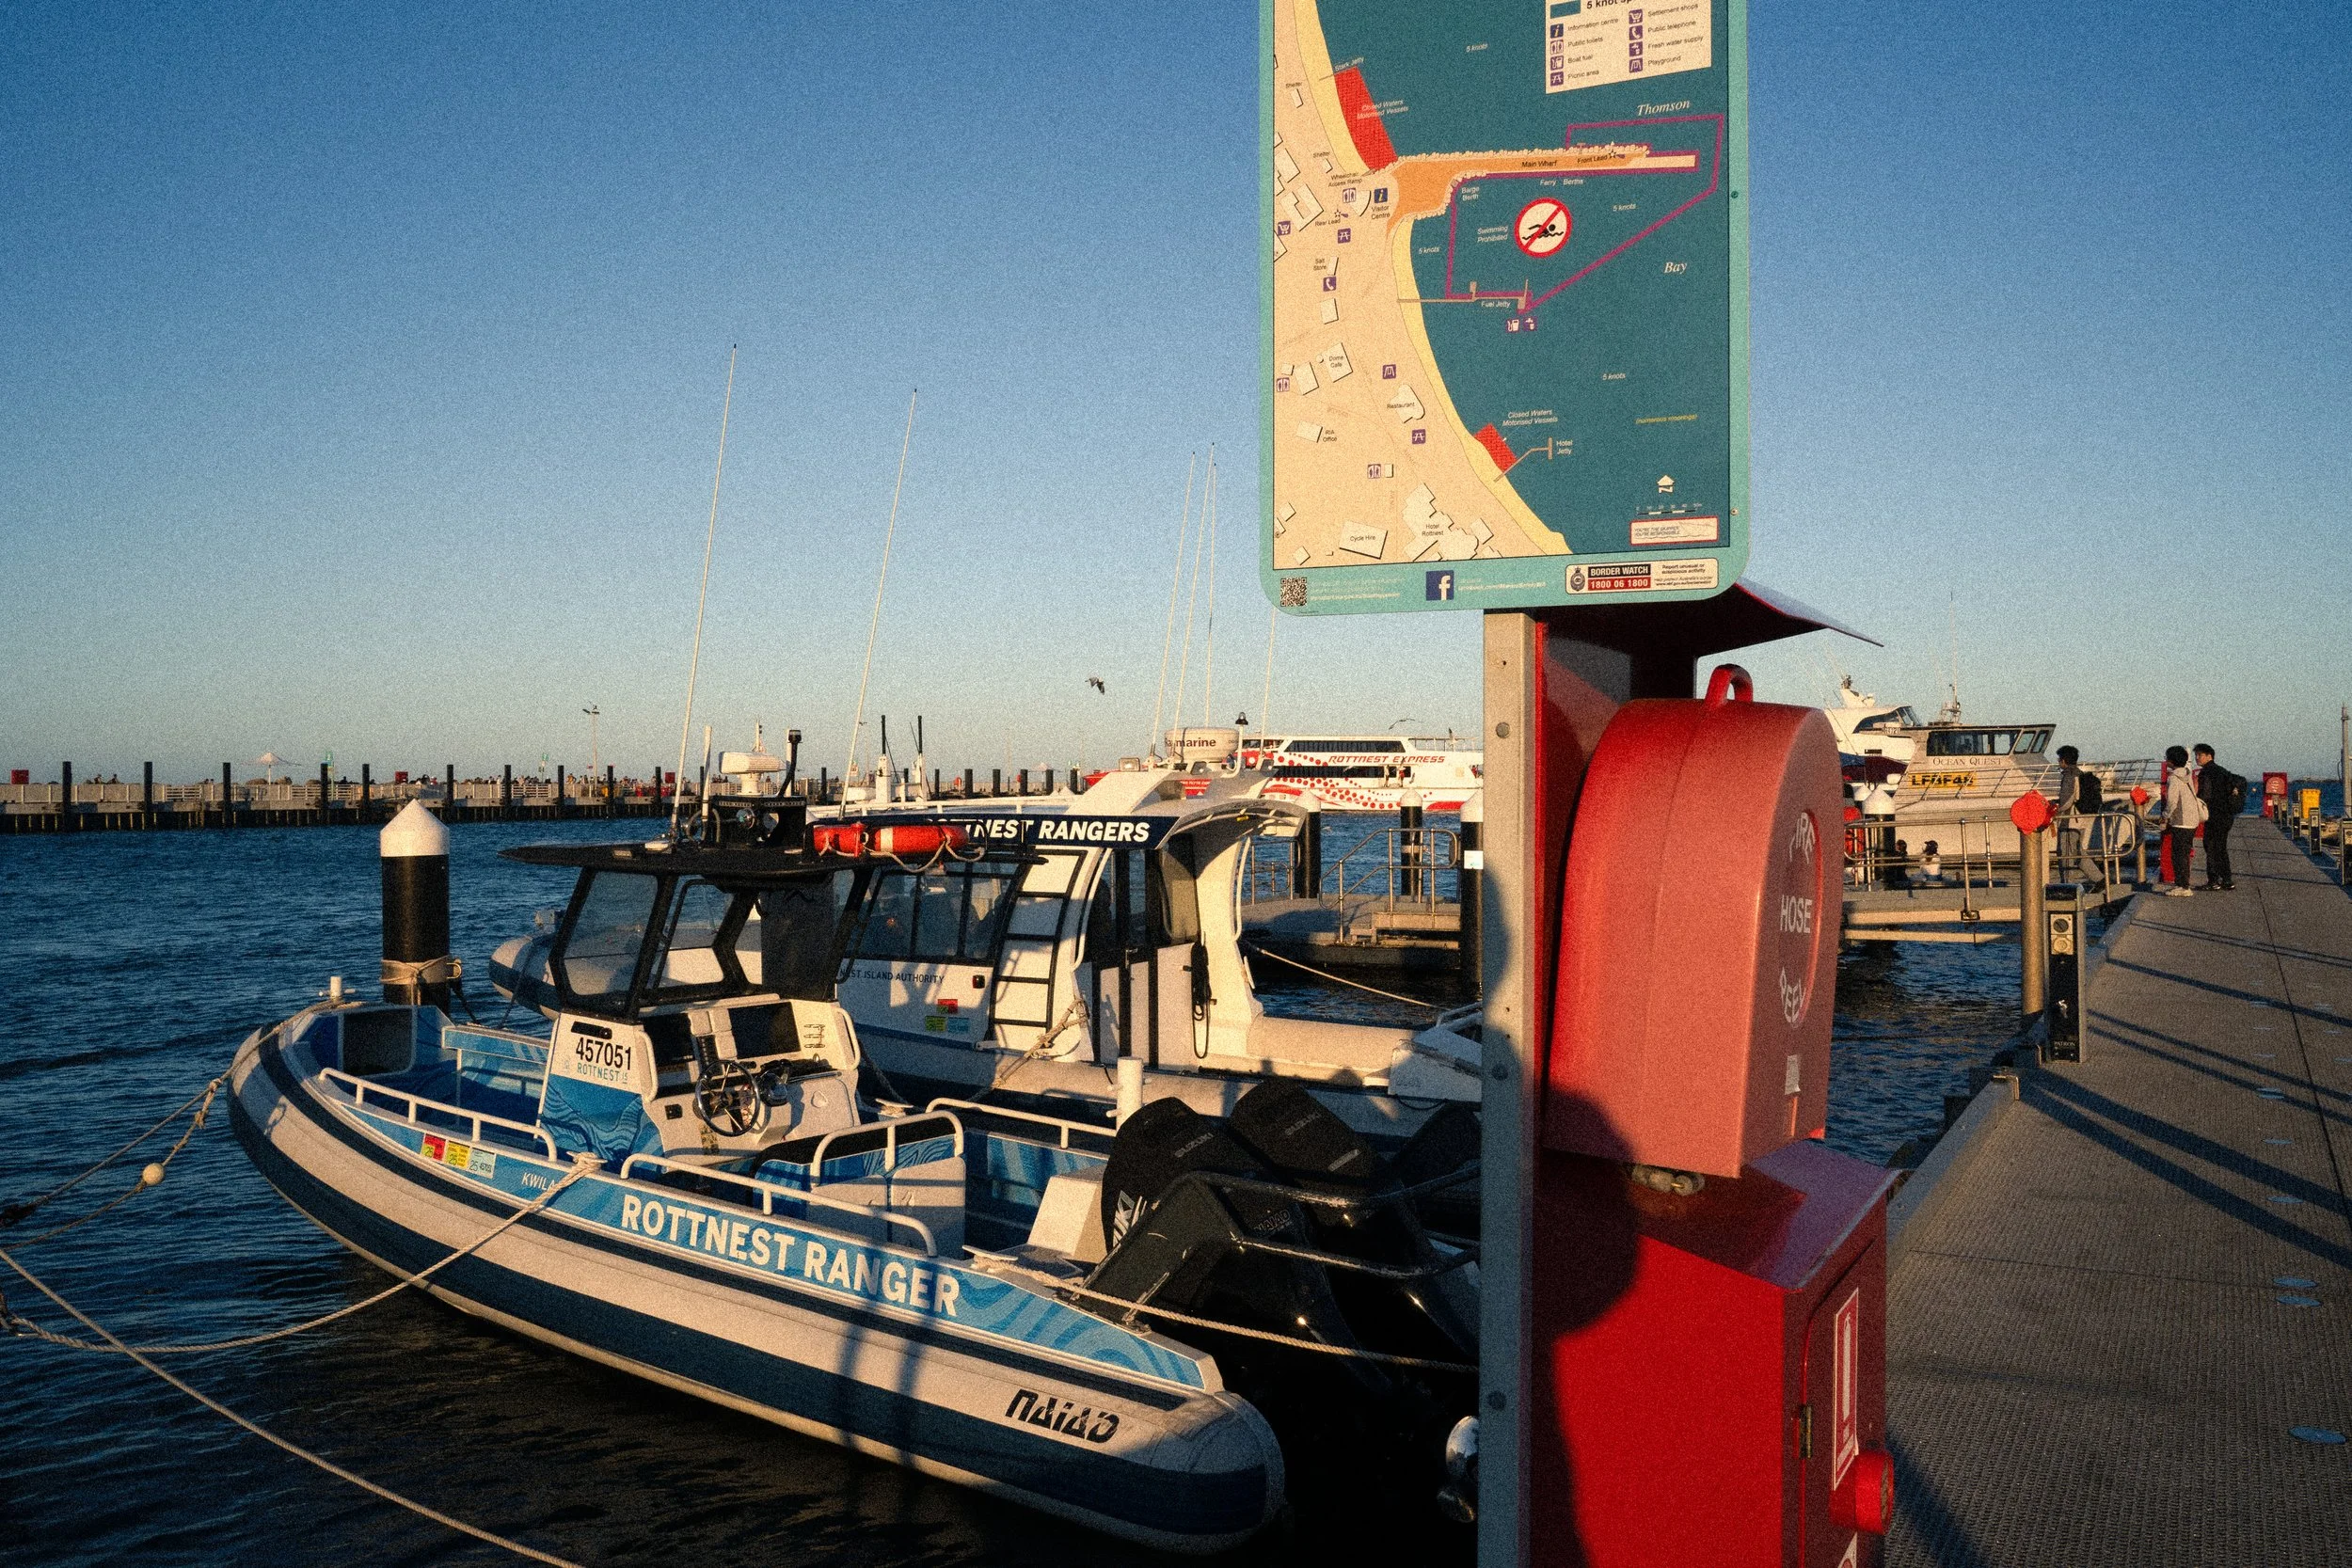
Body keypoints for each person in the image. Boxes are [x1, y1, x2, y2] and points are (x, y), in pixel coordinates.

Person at [2158, 745, 2204, 895]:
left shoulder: (2173, 778)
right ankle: (2183, 884)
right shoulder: (2187, 774)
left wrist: (2164, 817)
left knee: (2178, 854)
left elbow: (2171, 802)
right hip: (2192, 819)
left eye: (2167, 758)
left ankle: (2183, 887)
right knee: (2184, 852)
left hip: (2181, 820)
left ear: (2172, 761)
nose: (2166, 761)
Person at [2193, 743, 2236, 891]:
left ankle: (2213, 881)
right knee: (2221, 847)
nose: (2197, 758)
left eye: (2199, 755)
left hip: (2214, 814)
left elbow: (2205, 794)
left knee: (2210, 846)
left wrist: (2197, 804)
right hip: (2227, 815)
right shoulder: (2223, 771)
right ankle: (2227, 879)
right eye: (2196, 755)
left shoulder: (2206, 773)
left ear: (2209, 756)